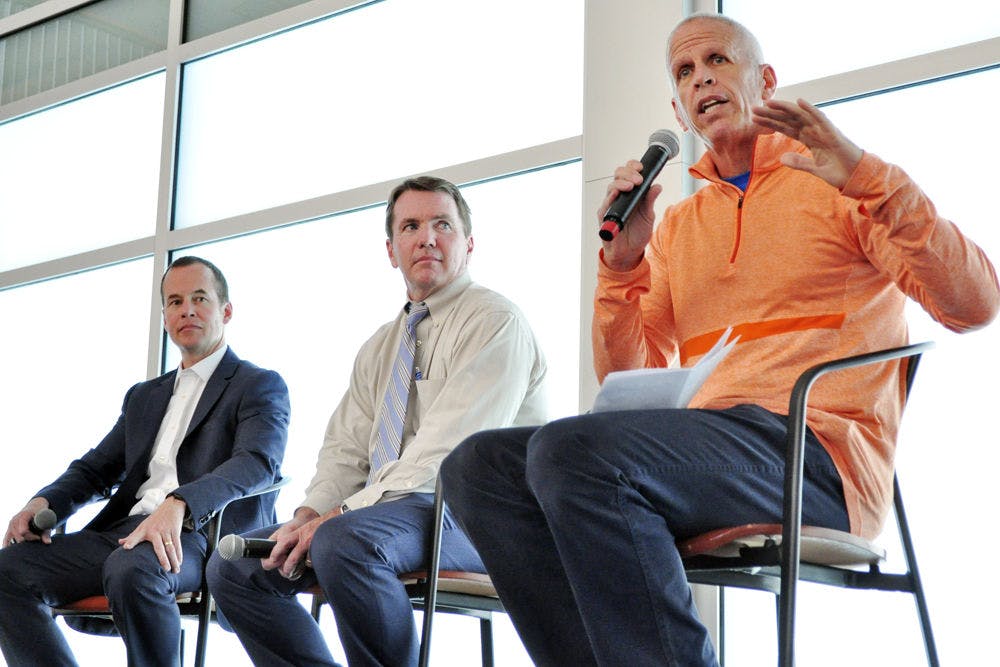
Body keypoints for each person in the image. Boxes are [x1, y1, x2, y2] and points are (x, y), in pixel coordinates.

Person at [440, 13, 1000, 667]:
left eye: (718, 61)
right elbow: (626, 383)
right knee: (477, 471)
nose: (701, 77)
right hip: (709, 455)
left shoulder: (839, 188)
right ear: (678, 112)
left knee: (573, 453)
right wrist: (622, 271)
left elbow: (975, 303)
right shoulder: (677, 228)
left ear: (764, 81)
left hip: (813, 458)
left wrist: (866, 175)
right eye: (684, 71)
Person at [206, 175, 547, 666]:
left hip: (478, 516)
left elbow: (445, 454)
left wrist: (337, 518)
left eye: (442, 225)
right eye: (411, 226)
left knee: (344, 541)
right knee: (235, 568)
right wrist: (307, 515)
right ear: (391, 250)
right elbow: (345, 449)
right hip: (390, 515)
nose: (426, 237)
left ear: (468, 244)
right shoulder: (381, 347)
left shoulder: (495, 323)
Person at [0, 256, 290, 666]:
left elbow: (257, 462)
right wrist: (44, 504)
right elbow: (95, 468)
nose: (186, 309)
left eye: (199, 298)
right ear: (166, 316)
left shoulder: (258, 385)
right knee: (7, 569)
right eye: (174, 301)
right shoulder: (145, 396)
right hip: (122, 534)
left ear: (226, 311)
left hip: (197, 535)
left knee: (133, 568)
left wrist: (180, 504)